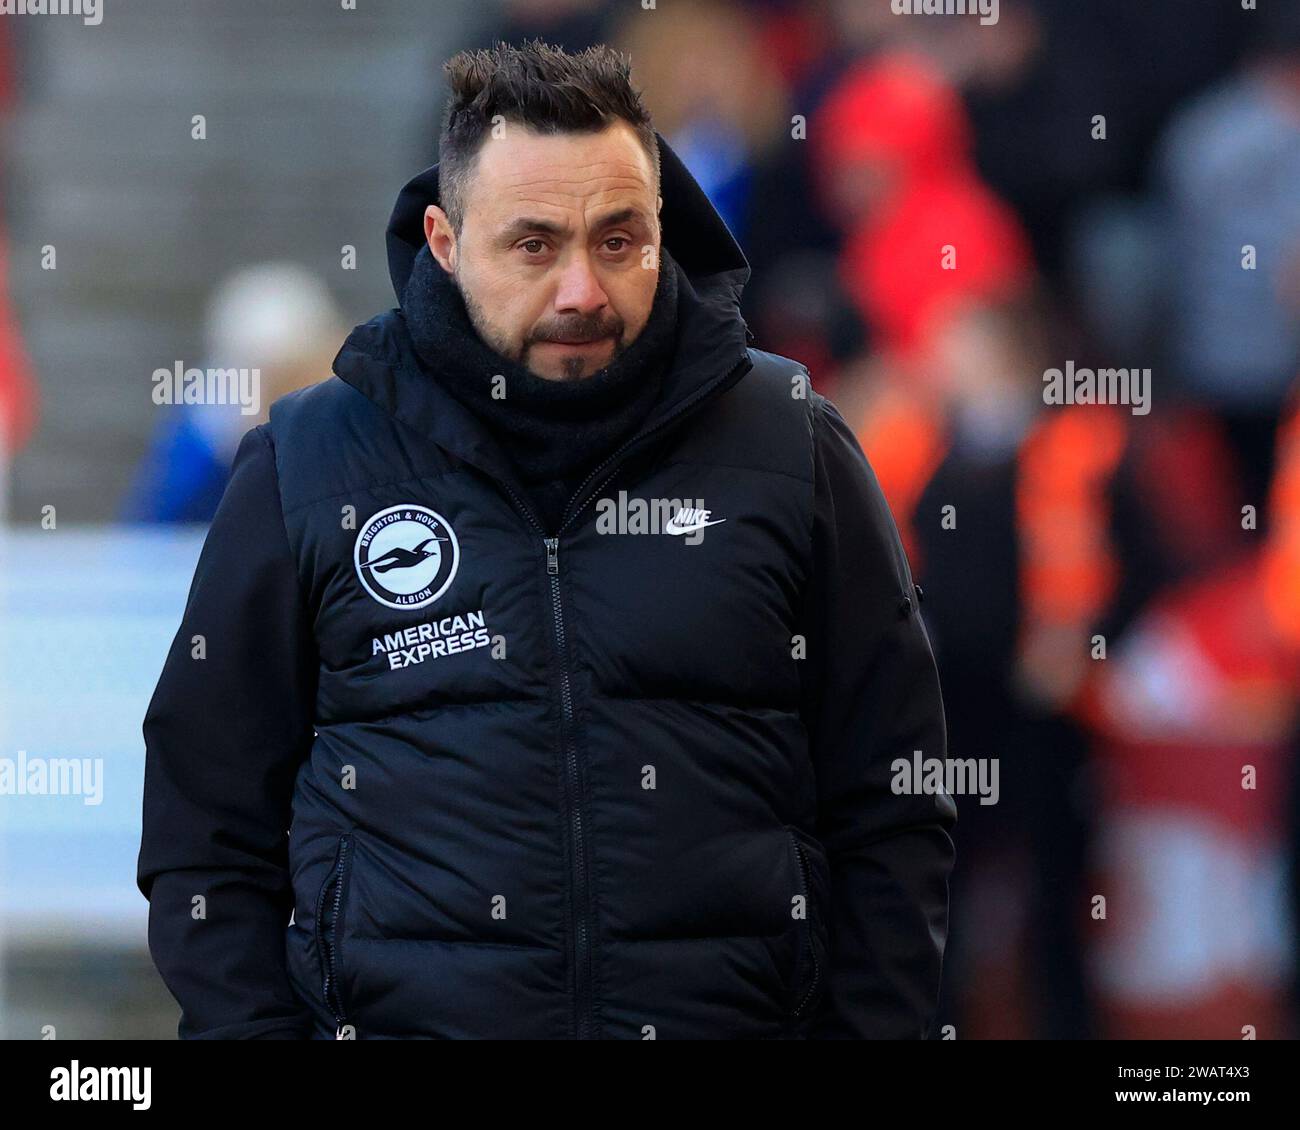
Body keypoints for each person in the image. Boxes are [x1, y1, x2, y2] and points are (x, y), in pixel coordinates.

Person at [136, 39, 956, 1040]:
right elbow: (206, 819)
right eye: (533, 244)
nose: (580, 288)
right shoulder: (309, 463)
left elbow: (893, 799)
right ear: (444, 241)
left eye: (619, 241)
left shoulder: (791, 444)